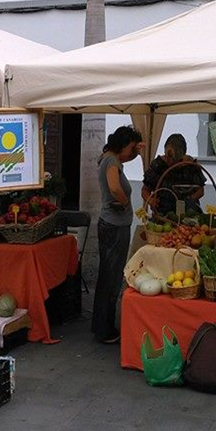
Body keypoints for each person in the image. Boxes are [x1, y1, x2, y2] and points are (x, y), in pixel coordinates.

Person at [93, 125, 144, 344]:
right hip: (114, 227)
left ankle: (100, 325)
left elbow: (124, 159)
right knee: (111, 278)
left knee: (108, 276)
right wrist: (124, 203)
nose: (133, 152)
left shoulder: (110, 158)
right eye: (131, 147)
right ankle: (104, 330)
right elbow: (114, 187)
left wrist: (138, 151)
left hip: (111, 225)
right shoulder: (112, 162)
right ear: (123, 145)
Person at [141, 133, 206, 216]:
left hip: (189, 215)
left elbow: (200, 191)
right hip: (163, 214)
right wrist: (151, 201)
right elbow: (145, 190)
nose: (171, 163)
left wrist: (187, 201)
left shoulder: (191, 166)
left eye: (176, 161)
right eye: (168, 159)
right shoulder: (158, 165)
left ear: (183, 155)